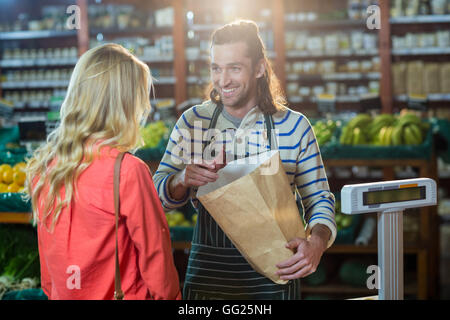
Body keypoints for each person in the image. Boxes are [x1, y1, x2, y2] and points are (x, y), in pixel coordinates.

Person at [153, 20, 336, 300]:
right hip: (210, 276)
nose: (222, 80)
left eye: (234, 68)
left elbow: (319, 200)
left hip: (276, 270)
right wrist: (181, 179)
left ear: (260, 68)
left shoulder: (295, 127)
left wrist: (317, 242)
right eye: (216, 68)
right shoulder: (194, 123)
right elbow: (157, 200)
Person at [25, 43, 181, 300]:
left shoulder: (48, 168)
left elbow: (48, 273)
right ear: (125, 105)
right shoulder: (128, 171)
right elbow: (157, 261)